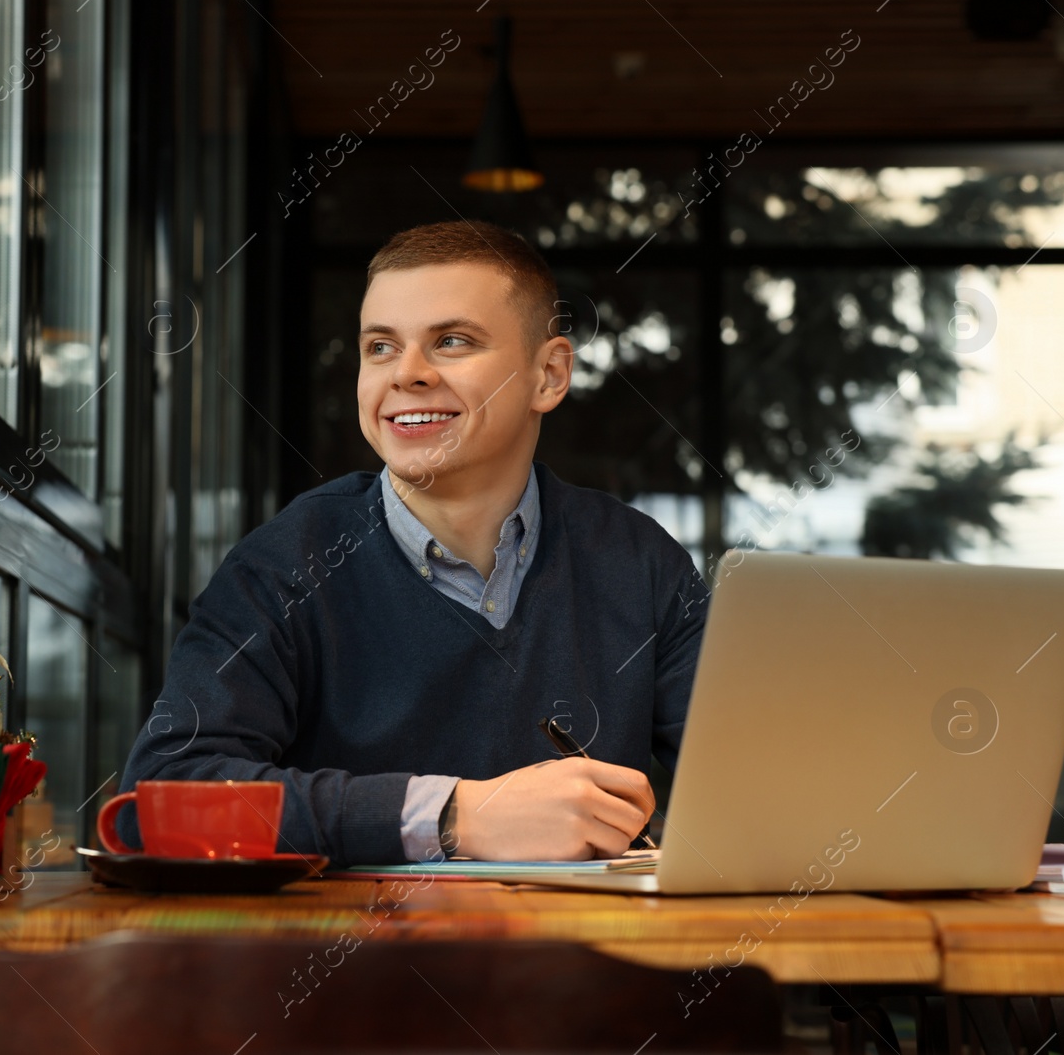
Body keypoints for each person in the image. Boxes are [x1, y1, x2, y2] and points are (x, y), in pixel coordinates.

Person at [115, 220, 710, 867]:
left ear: (549, 374)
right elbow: (160, 799)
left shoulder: (644, 565)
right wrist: (454, 815)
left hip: (593, 961)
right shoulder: (282, 565)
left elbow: (762, 785)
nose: (408, 374)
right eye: (380, 347)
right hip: (352, 964)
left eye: (451, 341)